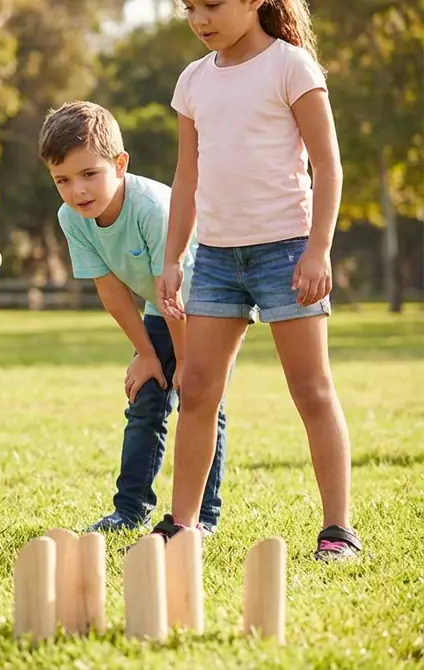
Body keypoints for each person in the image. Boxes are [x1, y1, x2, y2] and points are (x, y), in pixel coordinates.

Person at [155, 0, 361, 561]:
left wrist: (319, 250)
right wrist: (173, 258)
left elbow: (328, 165)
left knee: (311, 390)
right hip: (216, 258)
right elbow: (187, 176)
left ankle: (338, 531)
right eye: (190, 8)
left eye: (212, 5)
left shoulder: (291, 66)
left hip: (287, 253)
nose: (200, 20)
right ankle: (182, 525)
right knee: (198, 389)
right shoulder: (193, 80)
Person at [38, 100, 227, 534]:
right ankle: (130, 509)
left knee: (201, 401)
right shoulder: (72, 218)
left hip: (212, 304)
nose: (77, 190)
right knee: (146, 401)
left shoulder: (151, 208)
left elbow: (175, 292)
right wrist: (147, 354)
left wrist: (185, 361)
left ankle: (203, 517)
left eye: (89, 174)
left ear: (120, 164)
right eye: (63, 180)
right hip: (162, 306)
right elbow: (112, 290)